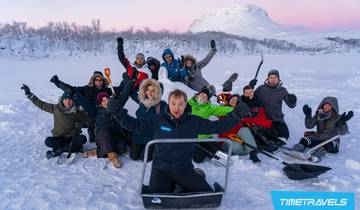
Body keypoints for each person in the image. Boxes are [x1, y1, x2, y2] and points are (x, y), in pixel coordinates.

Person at [108, 89, 249, 193]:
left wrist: (235, 115)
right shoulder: (158, 120)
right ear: (168, 104)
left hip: (183, 168)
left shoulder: (193, 121)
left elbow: (218, 127)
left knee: (206, 193)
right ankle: (171, 184)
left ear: (185, 104)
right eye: (173, 103)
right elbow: (136, 126)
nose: (177, 107)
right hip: (161, 168)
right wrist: (118, 113)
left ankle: (194, 176)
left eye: (180, 104)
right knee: (157, 196)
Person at [21, 84, 87, 158]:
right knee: (48, 141)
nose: (68, 102)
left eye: (70, 100)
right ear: (62, 100)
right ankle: (74, 148)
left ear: (73, 101)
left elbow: (87, 122)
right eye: (66, 100)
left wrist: (82, 124)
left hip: (72, 137)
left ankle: (59, 151)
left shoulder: (78, 111)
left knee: (83, 138)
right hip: (59, 138)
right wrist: (29, 94)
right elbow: (41, 104)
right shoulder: (56, 109)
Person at [50, 72, 114, 143]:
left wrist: (126, 78)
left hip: (103, 112)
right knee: (89, 115)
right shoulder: (86, 89)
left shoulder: (107, 90)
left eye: (101, 80)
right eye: (97, 80)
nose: (99, 83)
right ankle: (91, 132)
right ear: (93, 81)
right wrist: (58, 82)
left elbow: (119, 89)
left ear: (103, 81)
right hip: (89, 112)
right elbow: (71, 89)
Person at [285, 97, 353, 162]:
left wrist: (343, 122)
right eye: (325, 105)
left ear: (333, 107)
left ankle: (316, 156)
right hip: (319, 137)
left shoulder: (338, 117)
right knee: (305, 139)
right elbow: (309, 126)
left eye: (329, 105)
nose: (326, 107)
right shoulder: (318, 115)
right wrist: (308, 115)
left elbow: (344, 131)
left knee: (327, 145)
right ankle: (295, 150)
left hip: (331, 140)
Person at [188, 87, 233, 163]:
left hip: (205, 136)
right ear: (197, 95)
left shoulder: (209, 107)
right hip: (192, 138)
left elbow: (221, 109)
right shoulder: (188, 104)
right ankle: (204, 151)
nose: (202, 98)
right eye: (202, 95)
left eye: (205, 97)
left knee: (220, 152)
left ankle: (210, 150)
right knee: (198, 159)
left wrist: (235, 110)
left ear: (207, 100)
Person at [254, 70, 297, 142]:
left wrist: (293, 101)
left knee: (285, 135)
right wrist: (251, 86)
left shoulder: (282, 90)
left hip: (277, 119)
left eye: (275, 77)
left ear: (278, 79)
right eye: (271, 77)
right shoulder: (261, 89)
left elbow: (291, 105)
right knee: (267, 134)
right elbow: (251, 98)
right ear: (268, 78)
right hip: (264, 118)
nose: (273, 79)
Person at [130, 79, 167, 161]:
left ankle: (156, 147)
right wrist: (130, 81)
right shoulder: (143, 101)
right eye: (148, 90)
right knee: (133, 156)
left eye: (153, 91)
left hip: (151, 137)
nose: (149, 93)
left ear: (158, 93)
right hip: (139, 135)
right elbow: (132, 93)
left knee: (144, 158)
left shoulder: (162, 105)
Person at [116, 37, 150, 102]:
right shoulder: (130, 66)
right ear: (136, 59)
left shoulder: (147, 71)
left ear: (144, 59)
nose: (139, 60)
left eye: (141, 58)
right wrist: (120, 45)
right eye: (138, 58)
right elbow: (121, 57)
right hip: (125, 87)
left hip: (136, 91)